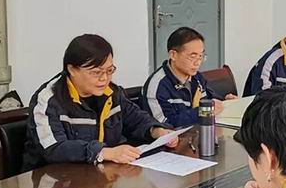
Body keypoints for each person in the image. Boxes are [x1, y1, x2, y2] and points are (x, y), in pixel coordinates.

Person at [22, 34, 175, 170]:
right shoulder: (48, 100)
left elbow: (136, 118)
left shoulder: (112, 93)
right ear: (72, 69)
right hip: (53, 182)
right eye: (96, 72)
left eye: (109, 70)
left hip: (99, 175)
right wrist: (103, 152)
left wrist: (156, 131)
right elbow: (53, 148)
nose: (104, 78)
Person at [142, 27, 236, 127]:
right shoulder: (156, 86)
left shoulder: (196, 78)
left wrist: (224, 102)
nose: (198, 62)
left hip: (197, 132)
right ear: (173, 55)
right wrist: (203, 111)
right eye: (193, 56)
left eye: (201, 56)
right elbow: (163, 126)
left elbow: (207, 99)